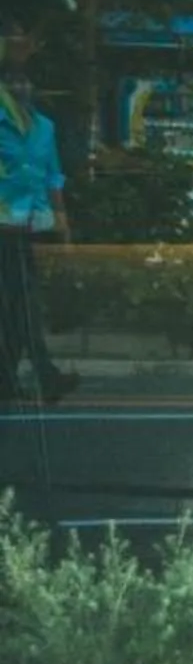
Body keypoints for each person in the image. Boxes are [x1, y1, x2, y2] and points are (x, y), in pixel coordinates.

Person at [0, 28, 76, 405]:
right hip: (2, 226)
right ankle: (44, 375)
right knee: (20, 304)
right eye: (12, 82)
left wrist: (61, 220)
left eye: (23, 82)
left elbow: (52, 175)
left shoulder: (44, 127)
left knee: (18, 305)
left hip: (28, 225)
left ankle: (12, 378)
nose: (19, 87)